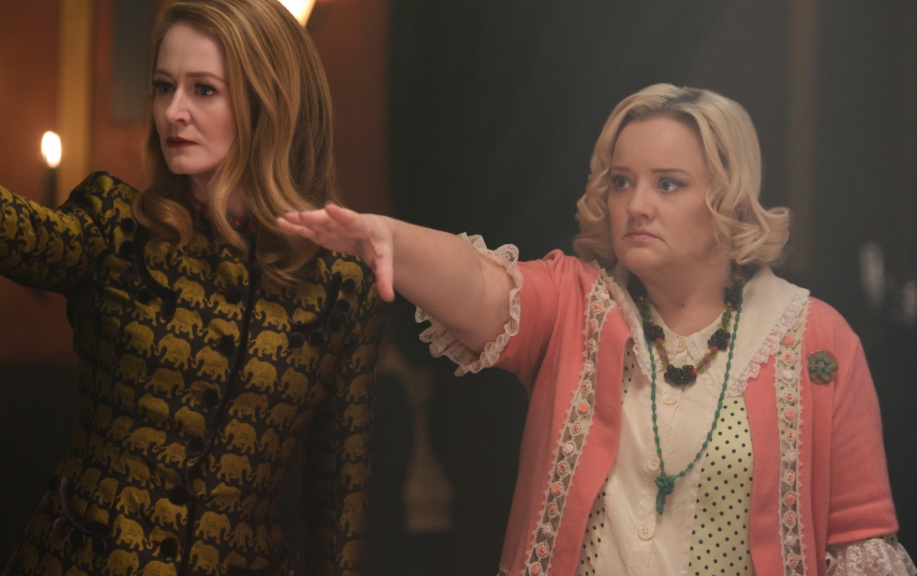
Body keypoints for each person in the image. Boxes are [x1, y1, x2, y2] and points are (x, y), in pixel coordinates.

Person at [0, 0, 387, 576]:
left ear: (267, 101)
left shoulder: (343, 284)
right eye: (163, 86)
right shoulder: (118, 224)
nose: (173, 111)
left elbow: (339, 491)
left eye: (203, 90)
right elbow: (15, 230)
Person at [278, 84, 916, 576]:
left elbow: (859, 547)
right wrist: (389, 236)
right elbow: (477, 282)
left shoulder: (815, 337)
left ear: (729, 200)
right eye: (622, 182)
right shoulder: (576, 303)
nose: (636, 205)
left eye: (668, 184)